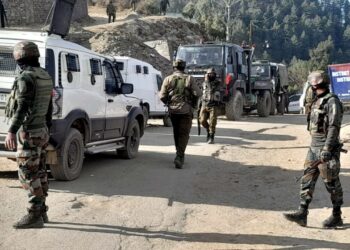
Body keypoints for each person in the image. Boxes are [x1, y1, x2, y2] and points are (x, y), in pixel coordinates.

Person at [283, 70, 344, 228]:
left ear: (320, 84)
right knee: (307, 180)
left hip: (326, 149)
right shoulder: (316, 101)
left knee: (331, 183)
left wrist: (327, 148)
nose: (313, 86)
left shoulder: (332, 101)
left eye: (314, 84)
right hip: (313, 147)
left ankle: (337, 215)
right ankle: (302, 213)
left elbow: (334, 127)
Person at [5, 41, 53, 229]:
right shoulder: (45, 76)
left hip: (29, 133)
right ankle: (42, 211)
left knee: (28, 173)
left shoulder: (26, 77)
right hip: (41, 131)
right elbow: (49, 107)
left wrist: (11, 131)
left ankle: (34, 215)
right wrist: (47, 128)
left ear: (19, 57)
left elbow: (22, 107)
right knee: (40, 172)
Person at [159, 59, 202, 169]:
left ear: (174, 67)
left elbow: (162, 96)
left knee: (176, 132)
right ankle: (180, 156)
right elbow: (198, 93)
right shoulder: (189, 78)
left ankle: (179, 153)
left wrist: (169, 103)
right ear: (184, 67)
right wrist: (193, 104)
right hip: (186, 110)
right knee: (184, 134)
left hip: (173, 111)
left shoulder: (168, 79)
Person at [199, 68, 222, 144]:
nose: (211, 75)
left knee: (212, 122)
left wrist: (207, 81)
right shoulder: (204, 83)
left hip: (213, 105)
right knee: (202, 120)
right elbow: (202, 93)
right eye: (209, 74)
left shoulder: (217, 83)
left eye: (212, 74)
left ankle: (211, 137)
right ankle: (208, 130)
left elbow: (211, 90)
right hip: (204, 104)